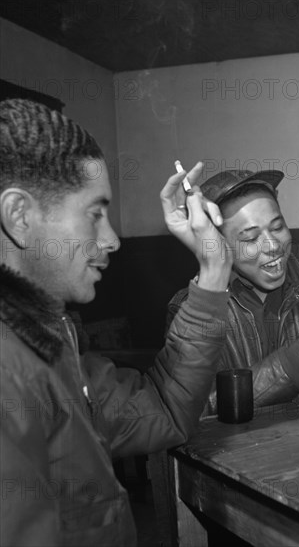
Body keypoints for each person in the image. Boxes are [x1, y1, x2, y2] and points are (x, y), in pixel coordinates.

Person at [0, 98, 232, 546]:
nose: (111, 239)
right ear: (20, 216)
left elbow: (161, 411)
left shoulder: (48, 340)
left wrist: (215, 267)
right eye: (95, 213)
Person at [166, 169, 299, 415]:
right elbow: (198, 413)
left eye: (277, 228)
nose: (274, 246)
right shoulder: (195, 310)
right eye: (251, 238)